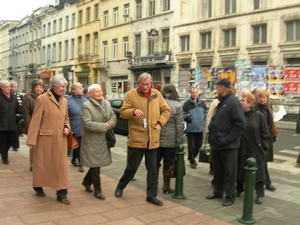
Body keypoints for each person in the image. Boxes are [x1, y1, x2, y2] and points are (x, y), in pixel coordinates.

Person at [114, 72, 170, 206]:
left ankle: (151, 195)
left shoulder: (157, 94)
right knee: (132, 167)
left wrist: (160, 123)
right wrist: (133, 111)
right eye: (143, 84)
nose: (145, 87)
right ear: (138, 84)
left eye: (148, 84)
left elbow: (166, 111)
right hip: (137, 137)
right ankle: (120, 187)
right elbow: (123, 112)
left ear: (151, 83)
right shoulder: (131, 94)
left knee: (152, 169)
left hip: (153, 138)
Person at [26, 74, 71, 205]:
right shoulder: (42, 99)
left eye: (65, 87)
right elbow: (35, 121)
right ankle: (38, 186)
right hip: (45, 139)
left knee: (61, 166)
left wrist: (67, 127)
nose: (64, 89)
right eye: (62, 86)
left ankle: (62, 193)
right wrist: (31, 140)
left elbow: (66, 118)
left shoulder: (65, 100)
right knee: (42, 165)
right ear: (55, 87)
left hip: (60, 139)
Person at [206, 78, 246, 206]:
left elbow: (241, 124)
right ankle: (217, 191)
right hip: (217, 144)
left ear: (223, 87)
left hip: (228, 145)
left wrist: (227, 138)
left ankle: (230, 196)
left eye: (217, 87)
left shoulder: (233, 102)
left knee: (229, 172)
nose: (216, 89)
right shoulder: (221, 102)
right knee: (218, 170)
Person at [80, 84, 116, 200]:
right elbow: (87, 124)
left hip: (104, 139)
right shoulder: (86, 106)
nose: (100, 93)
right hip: (92, 140)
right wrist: (104, 126)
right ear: (90, 94)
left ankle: (86, 182)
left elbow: (113, 116)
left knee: (97, 164)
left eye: (101, 91)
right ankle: (98, 191)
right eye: (97, 92)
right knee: (95, 166)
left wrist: (110, 124)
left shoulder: (107, 103)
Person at [237, 93, 270, 204]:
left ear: (250, 104)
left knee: (258, 172)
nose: (241, 102)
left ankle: (260, 194)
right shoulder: (239, 115)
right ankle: (239, 188)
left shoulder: (259, 116)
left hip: (256, 149)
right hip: (242, 148)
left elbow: (265, 133)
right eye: (241, 100)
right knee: (240, 169)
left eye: (243, 100)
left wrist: (263, 148)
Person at [157, 84, 184, 194]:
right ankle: (166, 186)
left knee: (155, 163)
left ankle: (153, 185)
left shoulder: (158, 103)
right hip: (170, 141)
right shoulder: (177, 105)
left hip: (157, 139)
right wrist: (179, 142)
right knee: (168, 164)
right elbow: (179, 126)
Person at [255, 89, 277, 192]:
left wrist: (273, 134)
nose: (263, 99)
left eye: (264, 97)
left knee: (264, 161)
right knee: (262, 162)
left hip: (267, 137)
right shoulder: (256, 109)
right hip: (259, 138)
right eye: (261, 98)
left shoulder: (268, 108)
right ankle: (266, 183)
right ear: (257, 98)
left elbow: (271, 122)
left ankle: (266, 182)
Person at [22, 79, 45, 171]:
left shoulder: (46, 98)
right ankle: (32, 164)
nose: (39, 89)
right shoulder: (29, 99)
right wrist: (29, 129)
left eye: (40, 87)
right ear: (34, 88)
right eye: (37, 87)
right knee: (33, 146)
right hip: (34, 125)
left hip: (44, 126)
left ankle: (42, 163)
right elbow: (26, 115)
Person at [182, 87, 207, 168]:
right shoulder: (187, 104)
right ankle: (192, 160)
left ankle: (191, 157)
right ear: (190, 93)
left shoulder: (202, 103)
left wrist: (204, 116)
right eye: (193, 92)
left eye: (196, 92)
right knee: (191, 146)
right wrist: (187, 117)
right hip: (191, 128)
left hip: (200, 128)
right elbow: (183, 114)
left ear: (198, 93)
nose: (194, 94)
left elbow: (205, 112)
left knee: (199, 145)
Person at [67, 82, 88, 173]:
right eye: (80, 88)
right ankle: (81, 164)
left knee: (79, 146)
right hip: (74, 126)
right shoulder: (68, 100)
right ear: (74, 90)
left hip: (85, 126)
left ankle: (73, 159)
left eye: (82, 88)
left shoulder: (85, 100)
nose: (82, 90)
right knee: (79, 146)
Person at [0, 80, 21, 164]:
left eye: (9, 86)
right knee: (3, 141)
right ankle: (5, 157)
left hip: (12, 123)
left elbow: (17, 108)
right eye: (6, 86)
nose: (9, 88)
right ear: (1, 88)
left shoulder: (13, 96)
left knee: (10, 140)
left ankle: (3, 151)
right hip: (2, 123)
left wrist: (22, 109)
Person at [10, 81, 23, 151]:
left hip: (18, 115)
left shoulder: (19, 94)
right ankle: (13, 144)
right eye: (14, 87)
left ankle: (15, 145)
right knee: (13, 130)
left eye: (16, 87)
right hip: (12, 115)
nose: (15, 88)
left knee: (16, 130)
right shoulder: (10, 95)